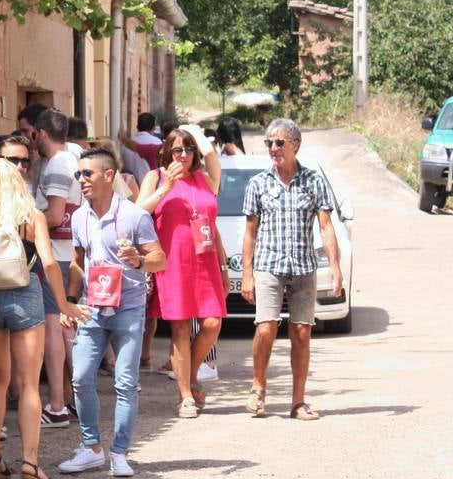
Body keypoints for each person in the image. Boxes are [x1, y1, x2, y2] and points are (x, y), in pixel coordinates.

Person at [0, 137, 81, 479]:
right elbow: (50, 263)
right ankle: (30, 465)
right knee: (27, 384)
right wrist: (63, 302)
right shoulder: (30, 216)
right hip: (25, 298)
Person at [60, 148, 166, 478]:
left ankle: (120, 453)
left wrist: (138, 260)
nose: (81, 180)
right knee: (80, 377)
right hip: (92, 308)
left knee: (125, 382)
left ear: (109, 176)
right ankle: (91, 447)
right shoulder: (79, 217)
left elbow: (160, 259)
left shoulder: (135, 216)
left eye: (87, 174)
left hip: (129, 307)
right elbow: (77, 262)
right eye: (78, 175)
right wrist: (70, 300)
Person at [240, 118, 343, 420]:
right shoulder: (258, 183)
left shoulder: (314, 181)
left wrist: (335, 267)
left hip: (302, 266)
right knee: (266, 327)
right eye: (269, 142)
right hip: (268, 265)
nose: (273, 148)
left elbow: (325, 227)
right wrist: (247, 274)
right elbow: (250, 233)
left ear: (295, 145)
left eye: (279, 142)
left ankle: (298, 402)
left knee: (301, 333)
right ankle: (258, 387)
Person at [136, 128, 226, 418]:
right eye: (177, 150)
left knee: (212, 324)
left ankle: (190, 374)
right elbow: (138, 212)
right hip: (173, 262)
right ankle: (185, 394)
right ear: (166, 152)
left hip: (206, 260)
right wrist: (167, 186)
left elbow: (213, 225)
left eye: (188, 150)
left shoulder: (205, 179)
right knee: (181, 329)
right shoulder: (155, 177)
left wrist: (223, 266)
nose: (183, 155)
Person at [30, 109, 83, 431]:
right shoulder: (72, 158)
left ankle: (57, 406)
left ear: (41, 133)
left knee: (55, 329)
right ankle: (71, 396)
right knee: (66, 331)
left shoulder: (58, 165)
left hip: (56, 254)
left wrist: (19, 224)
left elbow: (54, 215)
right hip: (67, 255)